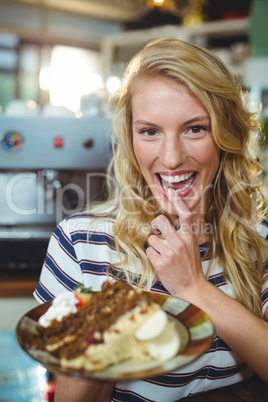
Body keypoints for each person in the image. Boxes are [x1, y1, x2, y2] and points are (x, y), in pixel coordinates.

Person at [34, 38, 268, 401]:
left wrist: (193, 288)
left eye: (195, 128)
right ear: (130, 138)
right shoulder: (81, 243)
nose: (171, 158)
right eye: (150, 131)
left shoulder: (260, 239)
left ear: (226, 135)